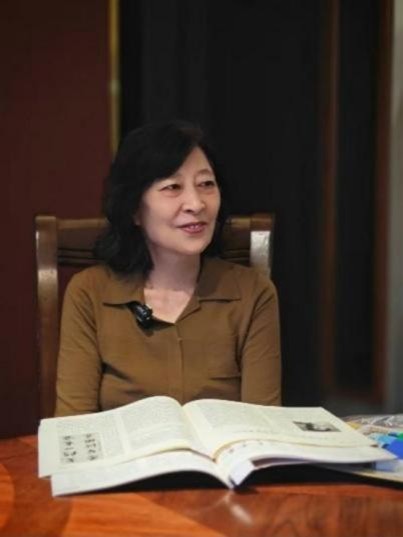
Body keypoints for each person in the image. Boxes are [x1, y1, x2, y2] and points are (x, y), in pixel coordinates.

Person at [55, 120, 281, 416]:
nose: (196, 204)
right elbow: (74, 425)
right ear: (134, 209)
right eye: (173, 187)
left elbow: (264, 424)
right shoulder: (89, 293)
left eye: (206, 184)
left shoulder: (254, 294)